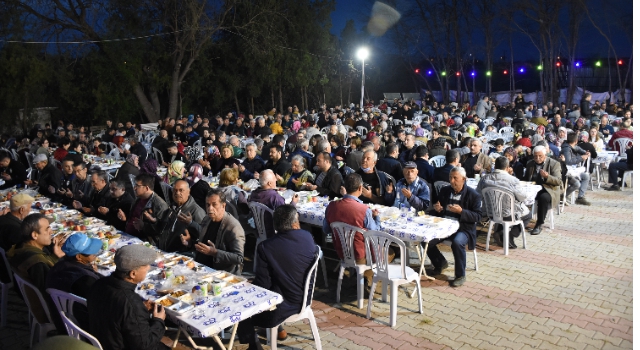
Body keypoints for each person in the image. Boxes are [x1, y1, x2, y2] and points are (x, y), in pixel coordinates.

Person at [237, 205, 317, 349]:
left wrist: (249, 284)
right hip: (304, 298)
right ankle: (280, 331)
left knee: (240, 309)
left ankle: (253, 345)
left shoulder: (266, 247)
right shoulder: (307, 237)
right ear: (295, 223)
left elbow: (263, 286)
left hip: (283, 306)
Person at [87, 245, 169, 350]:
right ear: (133, 274)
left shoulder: (99, 283)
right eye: (145, 266)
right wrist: (158, 320)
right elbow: (145, 346)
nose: (148, 268)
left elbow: (115, 312)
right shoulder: (130, 303)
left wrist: (139, 310)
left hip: (103, 341)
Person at [323, 173, 389, 289]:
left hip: (342, 251)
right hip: (360, 255)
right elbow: (375, 232)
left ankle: (359, 276)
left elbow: (326, 229)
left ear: (344, 188)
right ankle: (365, 278)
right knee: (390, 251)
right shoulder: (363, 210)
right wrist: (376, 217)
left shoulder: (332, 206)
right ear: (360, 188)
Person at [426, 167, 482, 287]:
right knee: (426, 239)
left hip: (463, 228)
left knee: (457, 242)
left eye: (455, 178)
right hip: (445, 226)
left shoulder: (473, 195)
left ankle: (460, 275)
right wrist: (438, 209)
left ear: (464, 179)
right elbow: (440, 210)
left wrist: (462, 212)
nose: (452, 181)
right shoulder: (445, 190)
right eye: (450, 177)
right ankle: (440, 263)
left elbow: (478, 216)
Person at [181, 188, 245, 275]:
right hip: (201, 268)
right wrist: (190, 244)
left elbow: (238, 258)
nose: (210, 208)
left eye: (214, 204)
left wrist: (214, 252)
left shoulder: (233, 227)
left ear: (223, 205)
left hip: (221, 274)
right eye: (208, 205)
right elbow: (203, 245)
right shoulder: (207, 219)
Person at [45, 233, 103, 330]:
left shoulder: (58, 266)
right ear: (79, 257)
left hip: (60, 318)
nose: (95, 254)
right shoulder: (85, 279)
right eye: (91, 252)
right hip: (81, 325)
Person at [476, 157, 532, 249]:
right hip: (509, 214)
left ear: (495, 166)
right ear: (507, 167)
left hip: (491, 213)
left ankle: (501, 233)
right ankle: (510, 235)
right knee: (528, 215)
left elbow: (477, 194)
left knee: (500, 208)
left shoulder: (484, 179)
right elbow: (522, 197)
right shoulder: (513, 180)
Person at [8, 213, 65, 293]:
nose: (51, 232)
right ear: (35, 235)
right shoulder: (37, 263)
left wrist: (55, 256)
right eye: (47, 229)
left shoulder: (20, 246)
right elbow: (49, 290)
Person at [152, 179, 206, 252]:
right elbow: (163, 229)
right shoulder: (172, 207)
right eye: (174, 190)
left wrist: (191, 224)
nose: (177, 193)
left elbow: (203, 236)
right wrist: (153, 222)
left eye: (181, 190)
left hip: (182, 257)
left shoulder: (197, 211)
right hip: (165, 253)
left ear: (188, 191)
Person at [524, 146, 563, 235]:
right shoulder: (530, 163)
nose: (537, 158)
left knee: (543, 198)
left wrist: (547, 177)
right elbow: (526, 179)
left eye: (540, 156)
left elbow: (559, 181)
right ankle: (520, 220)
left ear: (545, 155)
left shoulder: (554, 164)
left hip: (549, 189)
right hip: (533, 188)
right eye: (535, 156)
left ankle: (539, 224)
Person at [119, 173, 169, 242]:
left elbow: (161, 231)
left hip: (143, 241)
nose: (134, 188)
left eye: (137, 186)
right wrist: (125, 218)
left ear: (146, 188)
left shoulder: (159, 205)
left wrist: (143, 226)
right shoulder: (138, 199)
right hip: (127, 236)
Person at [248, 170, 298, 238]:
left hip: (259, 230)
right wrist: (293, 202)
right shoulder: (274, 197)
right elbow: (288, 215)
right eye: (275, 179)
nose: (276, 181)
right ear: (269, 183)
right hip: (274, 232)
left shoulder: (253, 194)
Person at [561, 133, 591, 206]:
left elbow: (578, 149)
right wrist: (581, 158)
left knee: (586, 176)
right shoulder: (566, 149)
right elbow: (568, 162)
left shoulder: (572, 146)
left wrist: (585, 152)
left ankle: (580, 197)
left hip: (573, 170)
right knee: (577, 184)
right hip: (566, 172)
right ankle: (562, 196)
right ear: (576, 141)